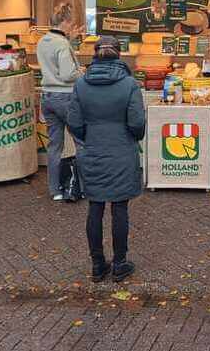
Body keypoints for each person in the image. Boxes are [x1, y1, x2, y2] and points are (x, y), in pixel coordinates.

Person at [66, 36, 145, 283]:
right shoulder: (129, 84)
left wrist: (89, 137)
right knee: (120, 207)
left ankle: (97, 264)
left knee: (95, 206)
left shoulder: (81, 84)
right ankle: (120, 263)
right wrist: (130, 137)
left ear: (95, 54)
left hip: (92, 151)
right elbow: (137, 123)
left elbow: (74, 122)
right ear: (119, 54)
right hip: (122, 151)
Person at [37, 3, 84, 201]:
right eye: (71, 24)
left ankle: (55, 190)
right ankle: (81, 186)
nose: (72, 27)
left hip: (47, 96)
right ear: (65, 22)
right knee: (81, 141)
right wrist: (81, 72)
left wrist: (70, 40)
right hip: (65, 97)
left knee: (54, 146)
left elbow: (54, 60)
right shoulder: (62, 44)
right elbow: (67, 75)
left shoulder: (43, 41)